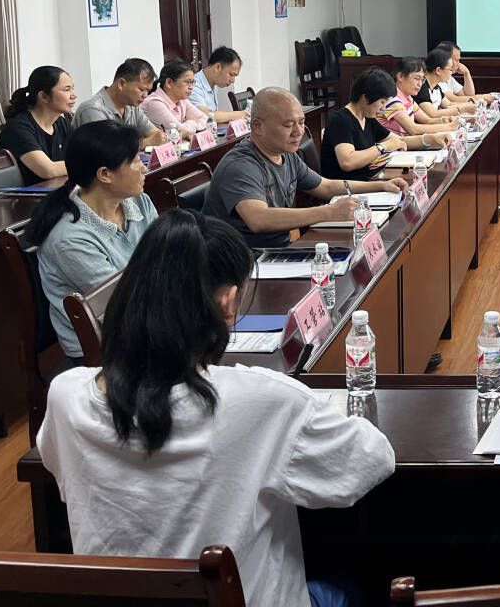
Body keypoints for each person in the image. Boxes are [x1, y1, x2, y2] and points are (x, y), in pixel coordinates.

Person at [37, 211, 396, 607]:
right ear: (226, 302)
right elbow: (372, 459)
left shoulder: (65, 396)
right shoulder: (263, 401)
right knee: (357, 585)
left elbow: (56, 465)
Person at [203, 87, 406, 248]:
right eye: (288, 125)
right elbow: (258, 218)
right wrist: (328, 212)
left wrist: (381, 186)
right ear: (257, 126)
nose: (298, 132)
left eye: (301, 122)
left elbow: (325, 186)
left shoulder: (286, 154)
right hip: (243, 261)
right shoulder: (241, 165)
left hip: (277, 250)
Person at [25, 121, 158, 364]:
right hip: (108, 345)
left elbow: (166, 260)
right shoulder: (69, 239)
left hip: (150, 318)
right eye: (135, 161)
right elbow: (122, 308)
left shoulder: (139, 201)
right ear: (104, 174)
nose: (144, 167)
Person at [321, 67, 408, 181]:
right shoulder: (340, 120)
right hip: (348, 186)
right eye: (382, 102)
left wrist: (426, 139)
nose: (383, 108)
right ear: (365, 97)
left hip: (367, 179)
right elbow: (347, 162)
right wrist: (383, 147)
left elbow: (395, 140)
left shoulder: (367, 117)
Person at [0, 65, 77, 185]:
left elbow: (82, 154)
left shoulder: (61, 123)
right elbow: (48, 170)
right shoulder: (18, 128)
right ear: (44, 96)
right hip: (21, 196)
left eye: (72, 89)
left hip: (51, 190)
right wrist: (88, 164)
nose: (73, 95)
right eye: (66, 89)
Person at [74, 58, 167, 149]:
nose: (145, 95)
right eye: (141, 89)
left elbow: (156, 134)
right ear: (121, 84)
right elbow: (107, 150)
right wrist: (145, 143)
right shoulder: (93, 109)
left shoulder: (132, 107)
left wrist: (158, 137)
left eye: (148, 91)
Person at [376, 58, 454, 149]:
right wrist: (449, 126)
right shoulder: (392, 98)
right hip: (392, 149)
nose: (420, 84)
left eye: (422, 80)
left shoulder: (408, 97)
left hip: (405, 145)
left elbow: (427, 120)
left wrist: (444, 120)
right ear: (400, 76)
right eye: (417, 78)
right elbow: (413, 129)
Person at [141, 60, 208, 139]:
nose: (191, 87)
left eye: (192, 82)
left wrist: (187, 126)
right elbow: (179, 131)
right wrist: (192, 122)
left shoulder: (182, 100)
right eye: (187, 82)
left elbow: (205, 119)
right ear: (169, 83)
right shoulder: (154, 103)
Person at [189, 46, 249, 125]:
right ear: (218, 67)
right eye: (231, 74)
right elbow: (206, 116)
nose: (232, 80)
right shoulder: (193, 85)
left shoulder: (213, 84)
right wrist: (240, 114)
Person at [414, 48, 468, 120]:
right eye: (450, 69)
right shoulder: (421, 86)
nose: (451, 73)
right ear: (438, 70)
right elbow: (433, 114)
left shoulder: (436, 86)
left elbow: (448, 104)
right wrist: (462, 109)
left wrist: (469, 105)